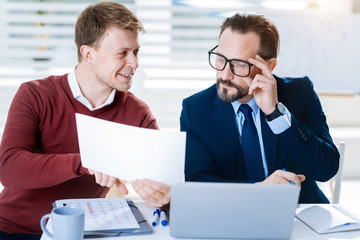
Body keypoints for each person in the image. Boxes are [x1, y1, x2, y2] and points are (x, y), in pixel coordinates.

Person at [0, 1, 170, 239]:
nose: (134, 63)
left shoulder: (137, 113)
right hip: (15, 230)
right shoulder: (35, 94)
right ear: (88, 54)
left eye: (136, 52)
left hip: (80, 233)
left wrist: (166, 197)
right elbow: (9, 169)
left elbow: (165, 182)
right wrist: (85, 162)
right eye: (122, 53)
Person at [180, 13, 339, 204]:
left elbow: (325, 169)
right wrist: (258, 190)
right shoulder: (196, 109)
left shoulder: (299, 93)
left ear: (269, 66)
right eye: (221, 59)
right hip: (234, 215)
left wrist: (276, 114)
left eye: (239, 64)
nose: (225, 74)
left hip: (300, 215)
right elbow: (197, 183)